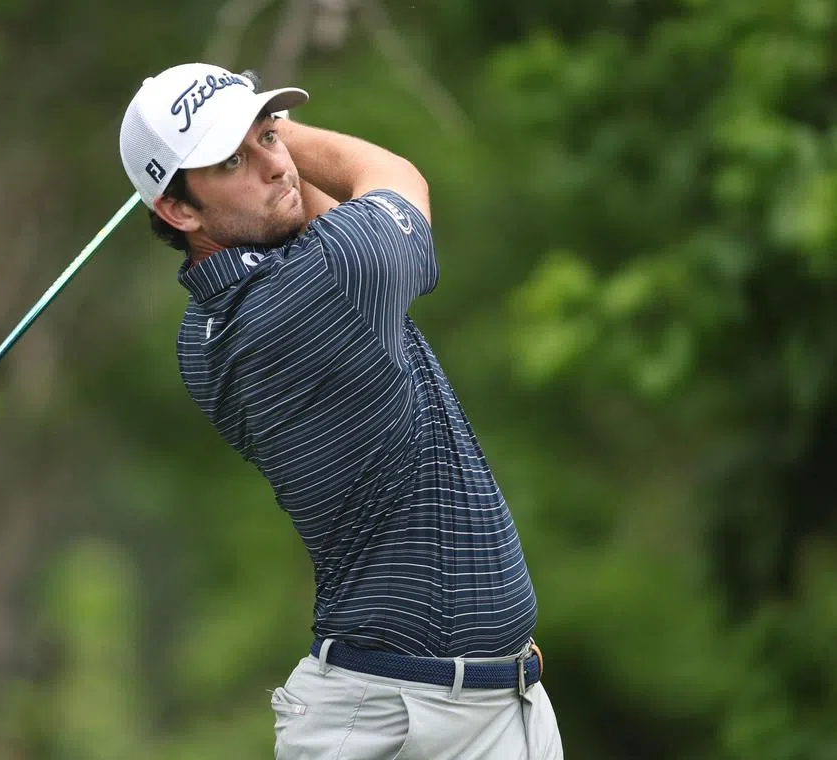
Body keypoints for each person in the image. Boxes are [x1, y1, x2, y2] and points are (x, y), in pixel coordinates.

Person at [118, 62, 564, 760]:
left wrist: (253, 140)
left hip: (466, 707)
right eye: (232, 159)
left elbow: (306, 215)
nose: (274, 166)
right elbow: (395, 177)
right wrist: (291, 131)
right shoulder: (324, 285)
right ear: (178, 210)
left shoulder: (203, 334)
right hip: (400, 721)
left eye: (267, 137)